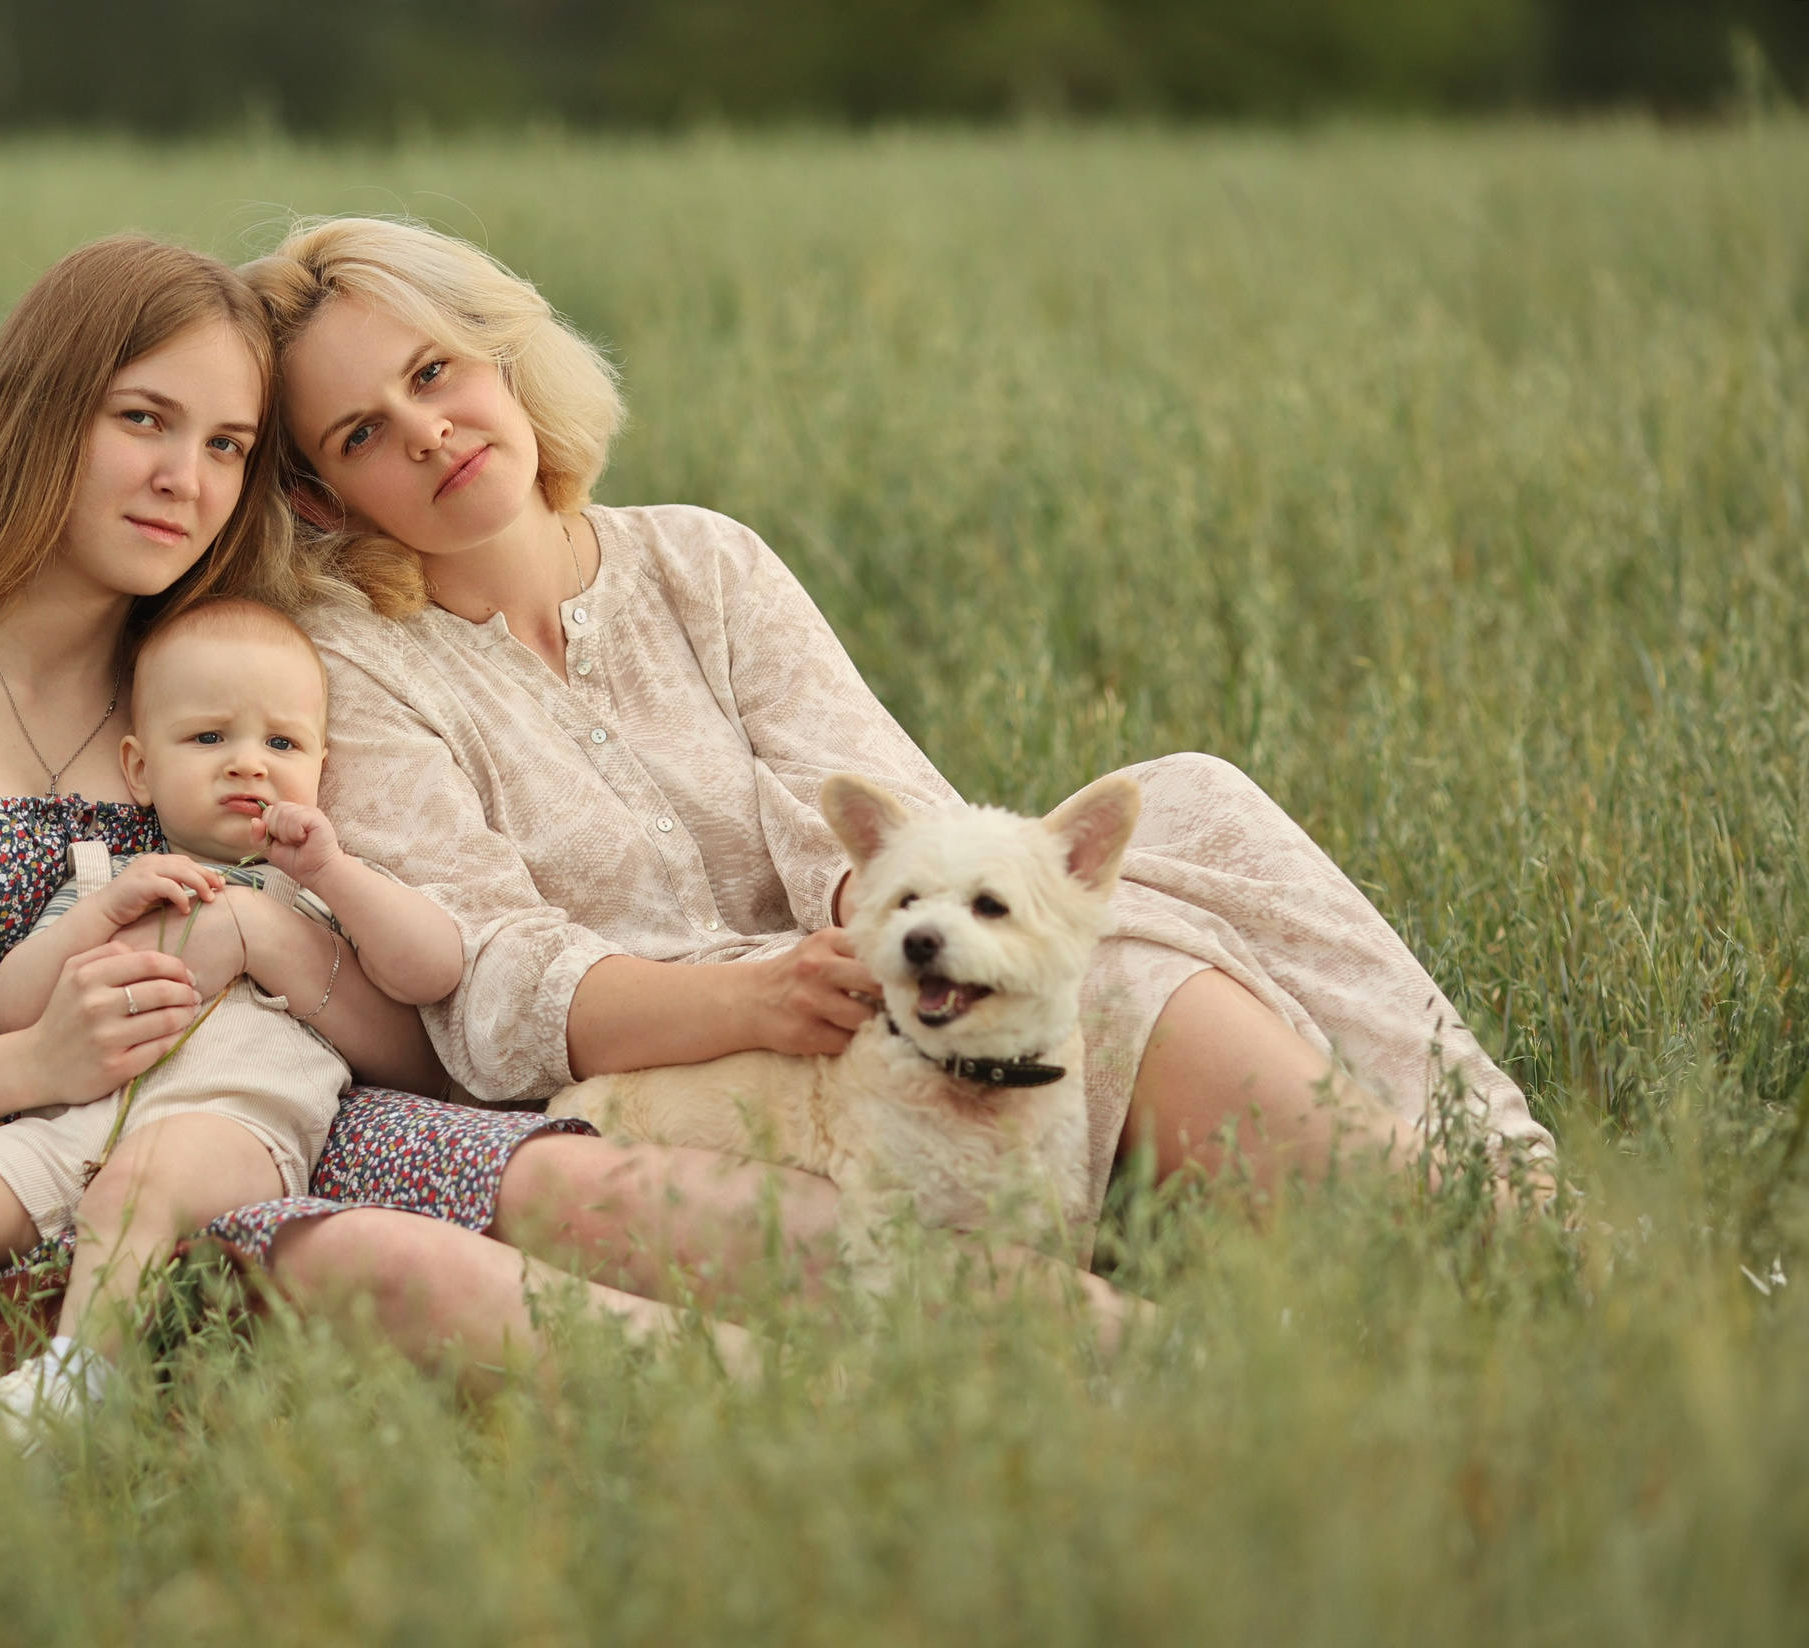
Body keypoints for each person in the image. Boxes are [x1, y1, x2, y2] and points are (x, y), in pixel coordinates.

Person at [225, 215, 1554, 1288]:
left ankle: (1510, 1200)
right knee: (1123, 967)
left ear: (504, 357)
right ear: (319, 496)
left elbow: (866, 803)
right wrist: (743, 1002)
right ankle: (1482, 1253)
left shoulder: (703, 557)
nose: (429, 430)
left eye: (436, 371)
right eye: (363, 434)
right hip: (695, 1068)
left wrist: (885, 918)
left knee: (1186, 812)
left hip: (891, 978)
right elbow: (490, 973)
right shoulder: (359, 669)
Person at [0, 234, 772, 1417]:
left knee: (595, 1189)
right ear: (37, 413)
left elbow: (420, 1052)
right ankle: (819, 1408)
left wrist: (273, 943)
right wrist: (33, 1062)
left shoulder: (223, 694)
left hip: (263, 1117)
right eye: (142, 419)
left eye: (227, 446)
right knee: (396, 1262)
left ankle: (971, 1322)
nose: (182, 479)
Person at [0, 596, 469, 1429]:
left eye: (281, 743)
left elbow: (432, 968)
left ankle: (72, 1392)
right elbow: (15, 1006)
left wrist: (332, 873)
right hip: (72, 1125)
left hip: (231, 1124)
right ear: (139, 768)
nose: (248, 765)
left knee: (137, 1191)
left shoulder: (320, 884)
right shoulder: (110, 877)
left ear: (323, 765)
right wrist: (98, 917)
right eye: (209, 738)